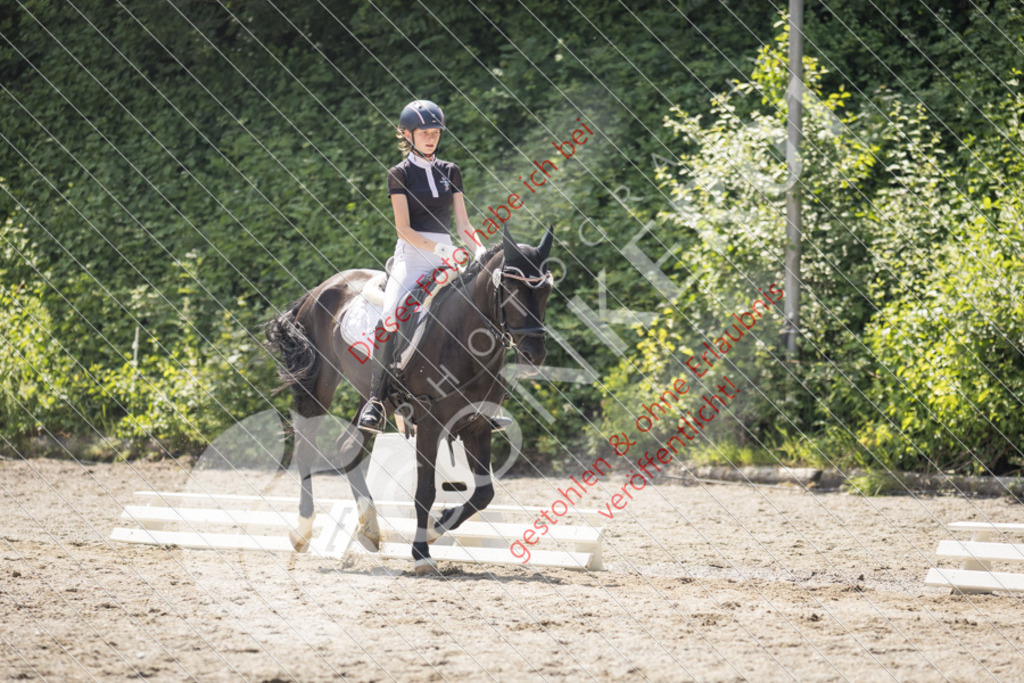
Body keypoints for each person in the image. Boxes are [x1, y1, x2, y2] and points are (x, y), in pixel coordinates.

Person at [357, 99, 484, 433]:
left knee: (479, 312)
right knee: (390, 317)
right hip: (412, 258)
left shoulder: (451, 171)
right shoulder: (399, 174)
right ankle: (375, 399)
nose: (431, 137)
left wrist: (480, 250)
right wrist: (445, 249)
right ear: (407, 134)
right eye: (424, 132)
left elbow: (463, 225)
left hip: (447, 257)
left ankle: (479, 397)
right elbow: (404, 230)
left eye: (435, 132)